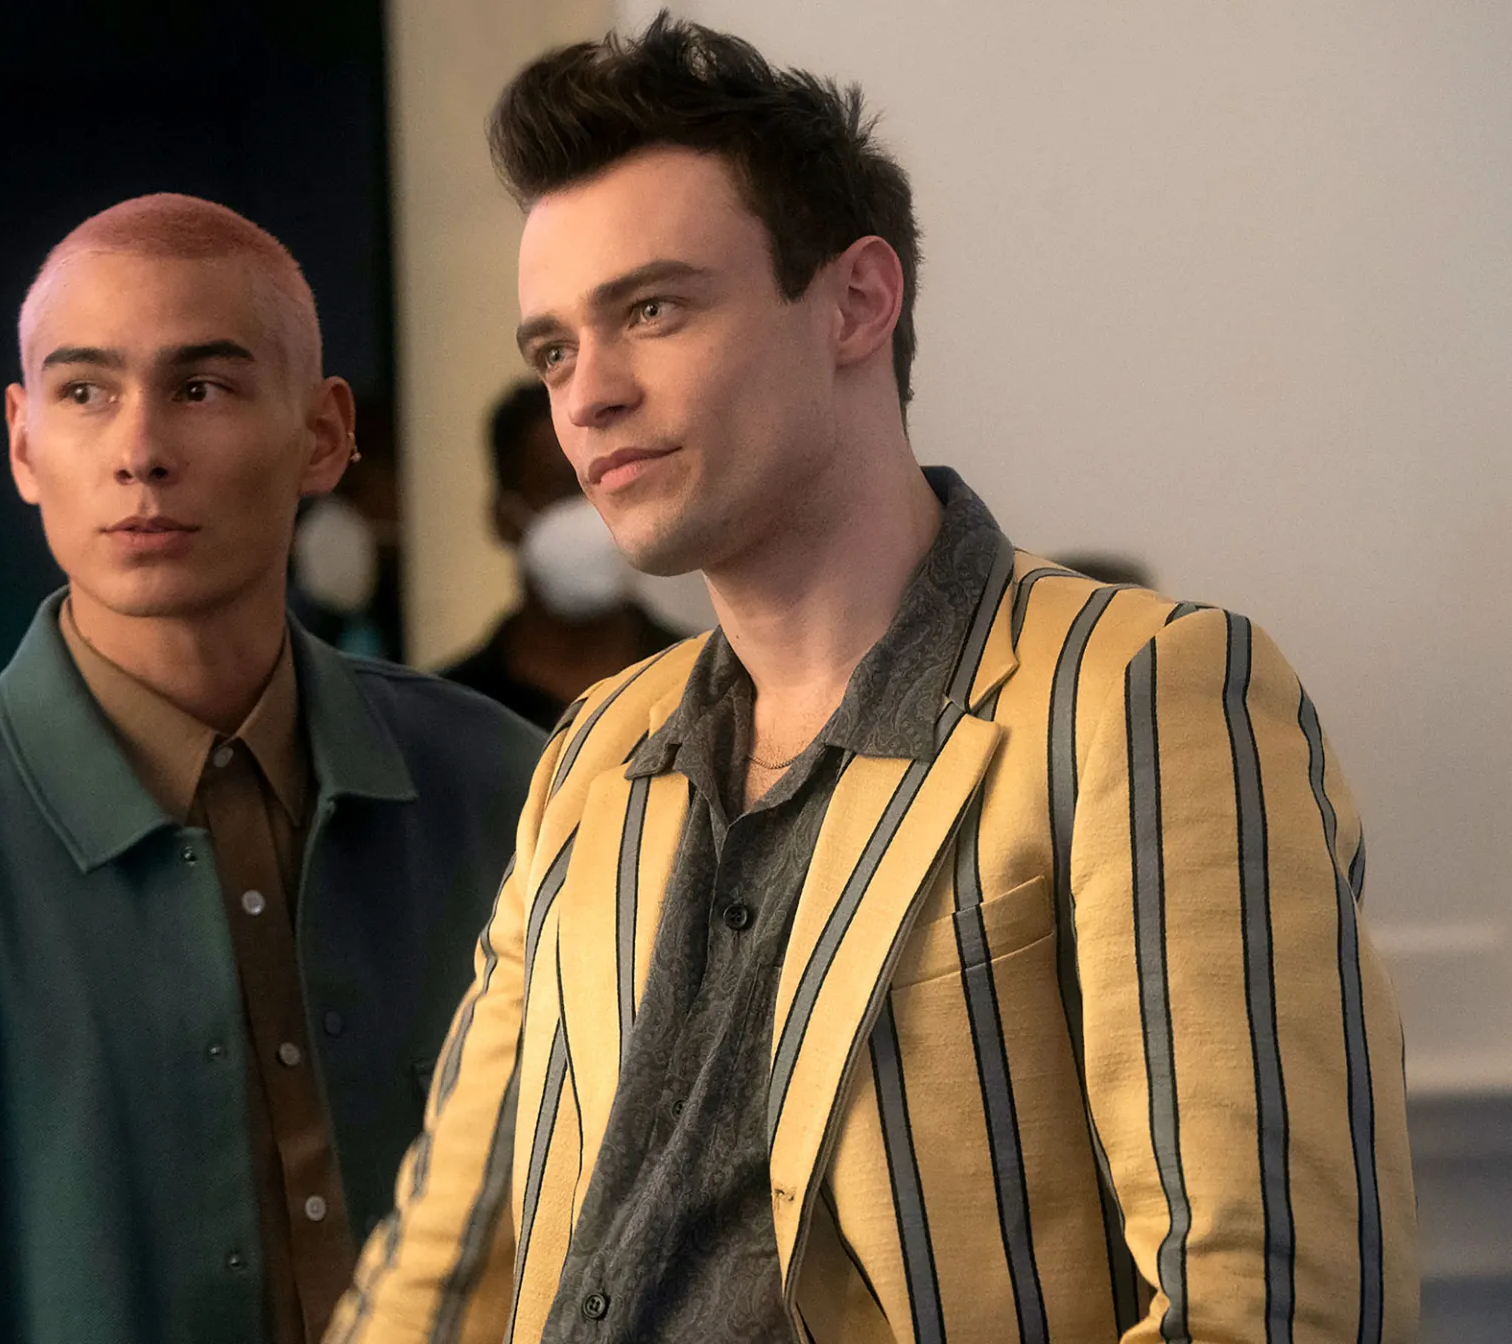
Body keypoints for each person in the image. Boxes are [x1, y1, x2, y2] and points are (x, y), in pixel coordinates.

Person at [332, 18, 1416, 1344]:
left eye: (651, 309)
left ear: (853, 302)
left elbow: (1268, 1308)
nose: (586, 396)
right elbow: (444, 1263)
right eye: (552, 349)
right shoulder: (591, 752)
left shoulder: (1142, 696)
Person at [0, 194, 542, 1344]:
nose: (139, 451)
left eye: (200, 388)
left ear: (321, 434)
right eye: (85, 393)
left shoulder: (509, 791)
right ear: (22, 442)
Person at [442, 380, 677, 728]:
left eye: (613, 484)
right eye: (565, 489)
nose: (595, 512)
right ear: (504, 518)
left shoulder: (705, 681)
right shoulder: (451, 711)